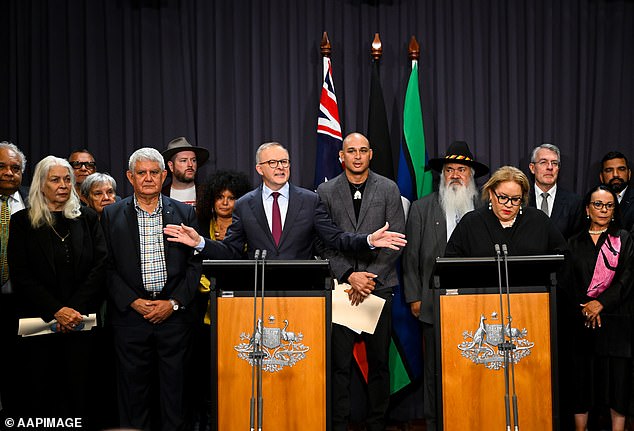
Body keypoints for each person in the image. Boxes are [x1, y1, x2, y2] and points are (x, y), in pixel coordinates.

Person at [101, 147, 202, 431]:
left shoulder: (183, 212)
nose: (148, 178)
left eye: (154, 173)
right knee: (133, 399)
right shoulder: (111, 215)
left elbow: (195, 265)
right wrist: (132, 301)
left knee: (176, 398)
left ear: (164, 175)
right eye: (141, 173)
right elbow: (105, 266)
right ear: (130, 177)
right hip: (130, 319)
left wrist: (173, 303)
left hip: (175, 319)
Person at [164, 142, 407, 259]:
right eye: (273, 163)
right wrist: (200, 243)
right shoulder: (245, 204)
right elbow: (232, 250)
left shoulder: (310, 200)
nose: (280, 167)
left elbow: (335, 238)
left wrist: (369, 240)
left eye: (284, 162)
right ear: (260, 168)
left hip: (302, 292)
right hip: (260, 294)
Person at [7, 156, 107, 423]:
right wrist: (56, 310)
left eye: (67, 179)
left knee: (80, 393)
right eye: (55, 180)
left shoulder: (86, 218)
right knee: (39, 393)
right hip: (36, 321)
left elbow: (100, 266)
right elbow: (21, 275)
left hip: (81, 320)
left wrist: (72, 310)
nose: (63, 185)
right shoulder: (21, 222)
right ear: (41, 185)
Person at [316, 132, 405, 431]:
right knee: (338, 365)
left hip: (378, 289)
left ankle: (377, 423)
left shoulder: (389, 189)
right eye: (351, 150)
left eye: (363, 150)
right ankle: (338, 423)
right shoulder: (326, 191)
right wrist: (349, 276)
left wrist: (369, 279)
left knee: (379, 364)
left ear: (371, 154)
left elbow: (396, 241)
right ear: (341, 156)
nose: (357, 156)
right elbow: (322, 243)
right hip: (342, 288)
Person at [402, 140, 488, 431]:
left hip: (477, 302)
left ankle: (472, 419)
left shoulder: (485, 208)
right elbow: (410, 256)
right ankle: (435, 422)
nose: (454, 175)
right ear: (441, 175)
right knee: (435, 370)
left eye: (461, 170)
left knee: (474, 364)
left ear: (470, 175)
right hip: (432, 301)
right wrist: (414, 296)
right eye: (449, 169)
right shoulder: (421, 208)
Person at [560, 185, 634, 431]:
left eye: (609, 205)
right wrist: (586, 308)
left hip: (616, 323)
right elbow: (566, 284)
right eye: (598, 204)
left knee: (617, 387)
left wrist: (601, 303)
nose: (603, 210)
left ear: (614, 210)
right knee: (582, 385)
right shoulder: (572, 243)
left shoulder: (623, 238)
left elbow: (628, 277)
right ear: (587, 209)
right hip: (582, 324)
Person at [192, 170, 251, 430]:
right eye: (220, 197)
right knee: (203, 374)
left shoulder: (248, 226)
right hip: (200, 311)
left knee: (236, 372)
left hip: (238, 308)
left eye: (232, 197)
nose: (225, 202)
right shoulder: (198, 226)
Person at [445, 165, 567, 257]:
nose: (509, 204)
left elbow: (562, 258)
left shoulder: (538, 220)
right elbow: (451, 264)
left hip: (532, 291)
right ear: (491, 194)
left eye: (515, 199)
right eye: (503, 197)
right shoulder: (471, 222)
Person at [0, 141, 28, 416]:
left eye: (15, 168)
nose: (9, 172)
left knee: (22, 369)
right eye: (2, 166)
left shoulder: (35, 200)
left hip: (25, 302)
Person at [528, 143, 583, 238]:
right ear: (532, 168)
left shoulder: (574, 202)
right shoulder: (521, 200)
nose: (550, 167)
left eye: (554, 163)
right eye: (543, 162)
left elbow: (576, 241)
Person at [196, 170, 252, 240]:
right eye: (220, 197)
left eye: (231, 198)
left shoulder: (249, 227)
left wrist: (232, 240)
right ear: (211, 199)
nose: (225, 203)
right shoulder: (200, 224)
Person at [161, 136, 210, 206]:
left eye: (193, 160)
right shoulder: (160, 196)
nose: (190, 164)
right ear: (171, 166)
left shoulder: (208, 194)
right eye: (184, 160)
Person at [599, 151, 634, 230]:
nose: (615, 174)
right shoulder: (592, 202)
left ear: (629, 174)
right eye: (609, 170)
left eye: (621, 169)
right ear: (601, 177)